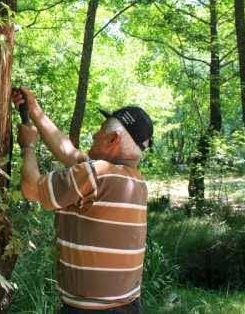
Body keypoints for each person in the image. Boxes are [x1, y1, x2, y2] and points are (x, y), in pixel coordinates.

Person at [12, 88, 153, 314]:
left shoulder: (97, 174)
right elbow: (68, 152)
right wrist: (34, 111)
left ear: (113, 139)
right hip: (128, 306)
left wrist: (27, 146)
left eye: (100, 131)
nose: (95, 135)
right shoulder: (133, 180)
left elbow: (31, 189)